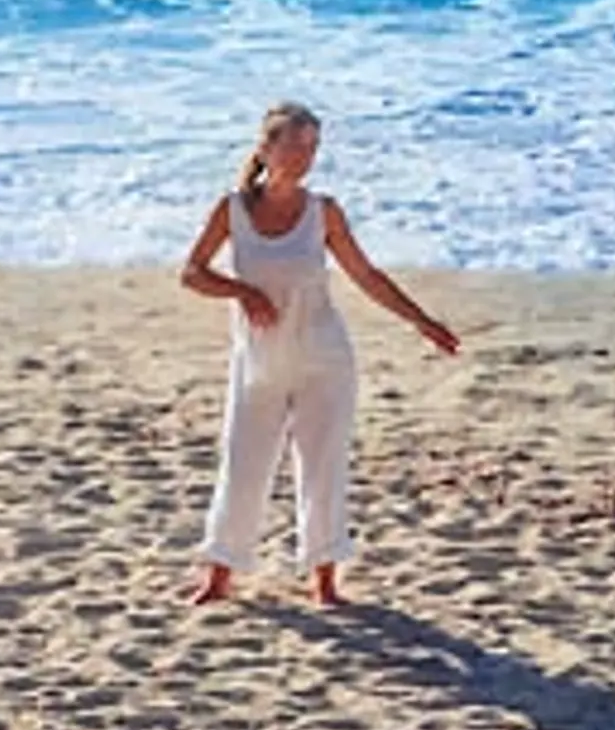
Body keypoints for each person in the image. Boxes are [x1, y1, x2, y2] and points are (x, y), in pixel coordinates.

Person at [177, 101, 460, 606]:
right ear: (266, 148)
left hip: (324, 358)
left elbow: (366, 276)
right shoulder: (233, 210)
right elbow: (192, 272)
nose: (305, 157)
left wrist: (423, 321)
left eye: (312, 147)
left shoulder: (322, 211)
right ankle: (219, 574)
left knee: (323, 466)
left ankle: (324, 579)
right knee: (242, 464)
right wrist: (241, 291)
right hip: (258, 360)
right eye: (294, 145)